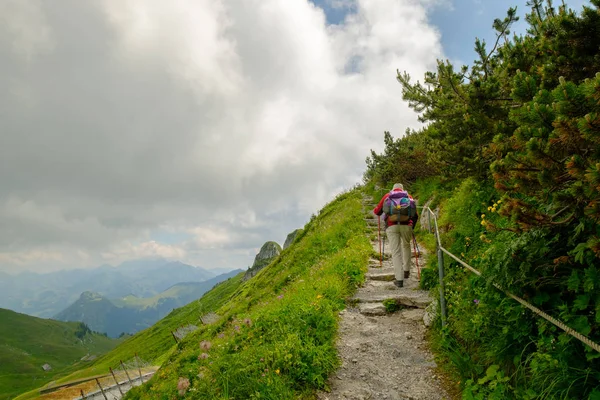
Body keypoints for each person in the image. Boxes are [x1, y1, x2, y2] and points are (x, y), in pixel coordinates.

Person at [373, 183, 419, 288]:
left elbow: (377, 212)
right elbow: (415, 214)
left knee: (396, 252)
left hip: (392, 226)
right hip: (407, 225)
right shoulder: (408, 197)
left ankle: (399, 280)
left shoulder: (387, 196)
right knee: (406, 246)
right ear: (402, 189)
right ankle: (407, 271)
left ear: (393, 189)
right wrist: (412, 227)